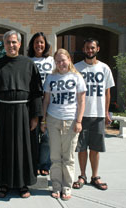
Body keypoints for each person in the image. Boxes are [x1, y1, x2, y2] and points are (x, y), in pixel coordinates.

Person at [0, 30, 43, 198]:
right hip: (2, 113)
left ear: (19, 44)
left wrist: (35, 117)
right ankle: (2, 183)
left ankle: (22, 184)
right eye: (8, 42)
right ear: (4, 45)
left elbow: (36, 93)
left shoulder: (29, 64)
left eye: (14, 42)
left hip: (24, 113)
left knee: (23, 149)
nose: (11, 45)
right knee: (3, 149)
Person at [41, 48, 86, 200]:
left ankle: (66, 187)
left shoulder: (77, 77)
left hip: (71, 120)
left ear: (69, 59)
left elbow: (81, 101)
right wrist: (44, 120)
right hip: (53, 119)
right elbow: (46, 101)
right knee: (55, 156)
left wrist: (79, 121)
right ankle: (56, 186)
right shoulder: (50, 78)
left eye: (63, 60)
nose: (61, 63)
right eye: (58, 61)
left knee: (68, 157)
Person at [73, 38, 115, 191]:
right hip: (81, 115)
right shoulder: (76, 68)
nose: (89, 50)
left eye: (92, 48)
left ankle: (94, 176)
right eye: (87, 48)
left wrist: (105, 112)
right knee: (82, 147)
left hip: (97, 114)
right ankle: (82, 175)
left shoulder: (104, 68)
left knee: (96, 148)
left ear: (97, 49)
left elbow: (107, 92)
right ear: (83, 49)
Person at [27, 32, 54, 176]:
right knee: (33, 135)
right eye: (36, 42)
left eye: (41, 42)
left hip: (49, 103)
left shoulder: (51, 61)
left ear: (46, 44)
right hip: (32, 103)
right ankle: (34, 164)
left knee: (46, 137)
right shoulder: (27, 61)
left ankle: (44, 164)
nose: (39, 45)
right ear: (32, 44)